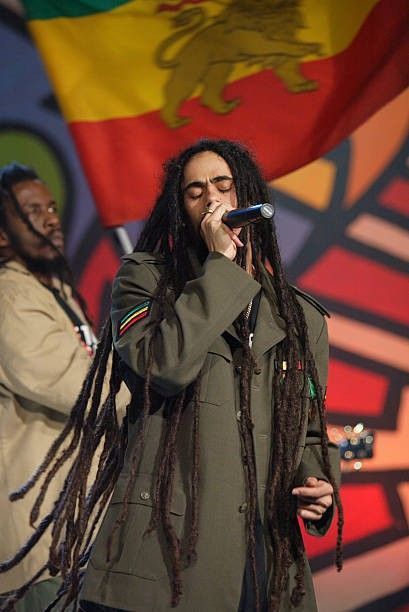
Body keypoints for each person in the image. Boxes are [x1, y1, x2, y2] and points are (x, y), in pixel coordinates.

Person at [0, 140, 343, 612]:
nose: (213, 200)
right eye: (195, 191)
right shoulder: (143, 282)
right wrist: (222, 267)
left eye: (224, 185)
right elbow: (162, 366)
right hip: (170, 560)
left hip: (266, 562)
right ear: (180, 209)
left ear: (250, 198)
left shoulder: (300, 316)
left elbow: (305, 432)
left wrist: (320, 484)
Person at [0, 163, 98, 610]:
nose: (51, 219)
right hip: (40, 547)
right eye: (32, 210)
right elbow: (76, 386)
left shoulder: (55, 288)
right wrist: (158, 380)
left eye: (52, 207)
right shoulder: (10, 296)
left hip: (74, 533)